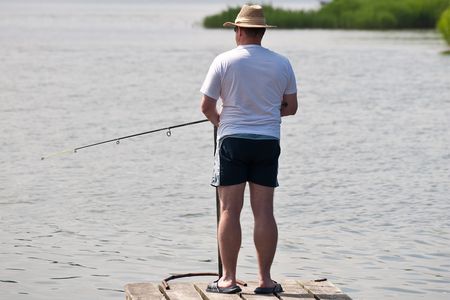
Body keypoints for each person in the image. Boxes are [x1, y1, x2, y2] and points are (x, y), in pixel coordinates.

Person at [200, 4, 298, 295]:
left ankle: (227, 279)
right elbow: (290, 107)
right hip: (268, 141)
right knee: (264, 211)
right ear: (262, 32)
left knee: (229, 209)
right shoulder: (282, 63)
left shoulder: (224, 61)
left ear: (239, 31)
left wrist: (224, 123)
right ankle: (266, 280)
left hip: (233, 141)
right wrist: (264, 112)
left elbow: (206, 106)